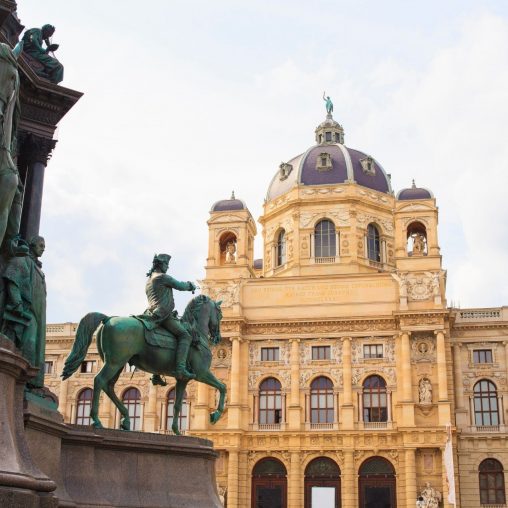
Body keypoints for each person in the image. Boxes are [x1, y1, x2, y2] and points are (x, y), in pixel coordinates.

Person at [1, 236, 47, 388]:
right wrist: (17, 303)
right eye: (41, 245)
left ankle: (32, 384)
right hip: (27, 311)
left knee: (36, 347)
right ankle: (23, 383)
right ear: (32, 244)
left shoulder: (38, 269)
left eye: (44, 246)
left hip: (38, 314)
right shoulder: (22, 260)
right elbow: (12, 280)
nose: (43, 248)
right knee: (29, 342)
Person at [144, 253, 196, 383]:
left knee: (162, 339)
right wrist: (191, 285)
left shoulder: (149, 280)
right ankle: (180, 368)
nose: (167, 267)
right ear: (161, 265)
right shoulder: (162, 277)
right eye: (166, 264)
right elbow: (180, 285)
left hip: (151, 313)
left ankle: (156, 374)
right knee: (185, 335)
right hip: (163, 314)